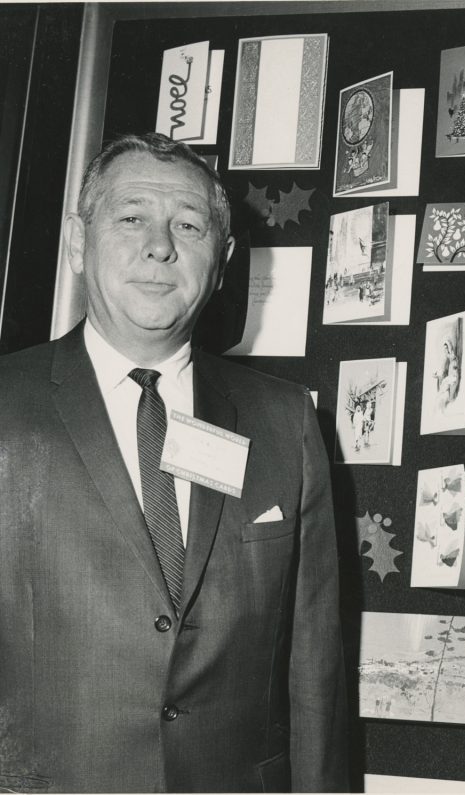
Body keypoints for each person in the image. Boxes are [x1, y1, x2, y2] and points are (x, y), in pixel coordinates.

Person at [0, 133, 346, 792]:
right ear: (79, 241)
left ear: (221, 261)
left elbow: (315, 669)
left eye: (188, 224)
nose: (159, 244)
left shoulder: (286, 422)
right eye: (131, 217)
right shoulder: (6, 406)